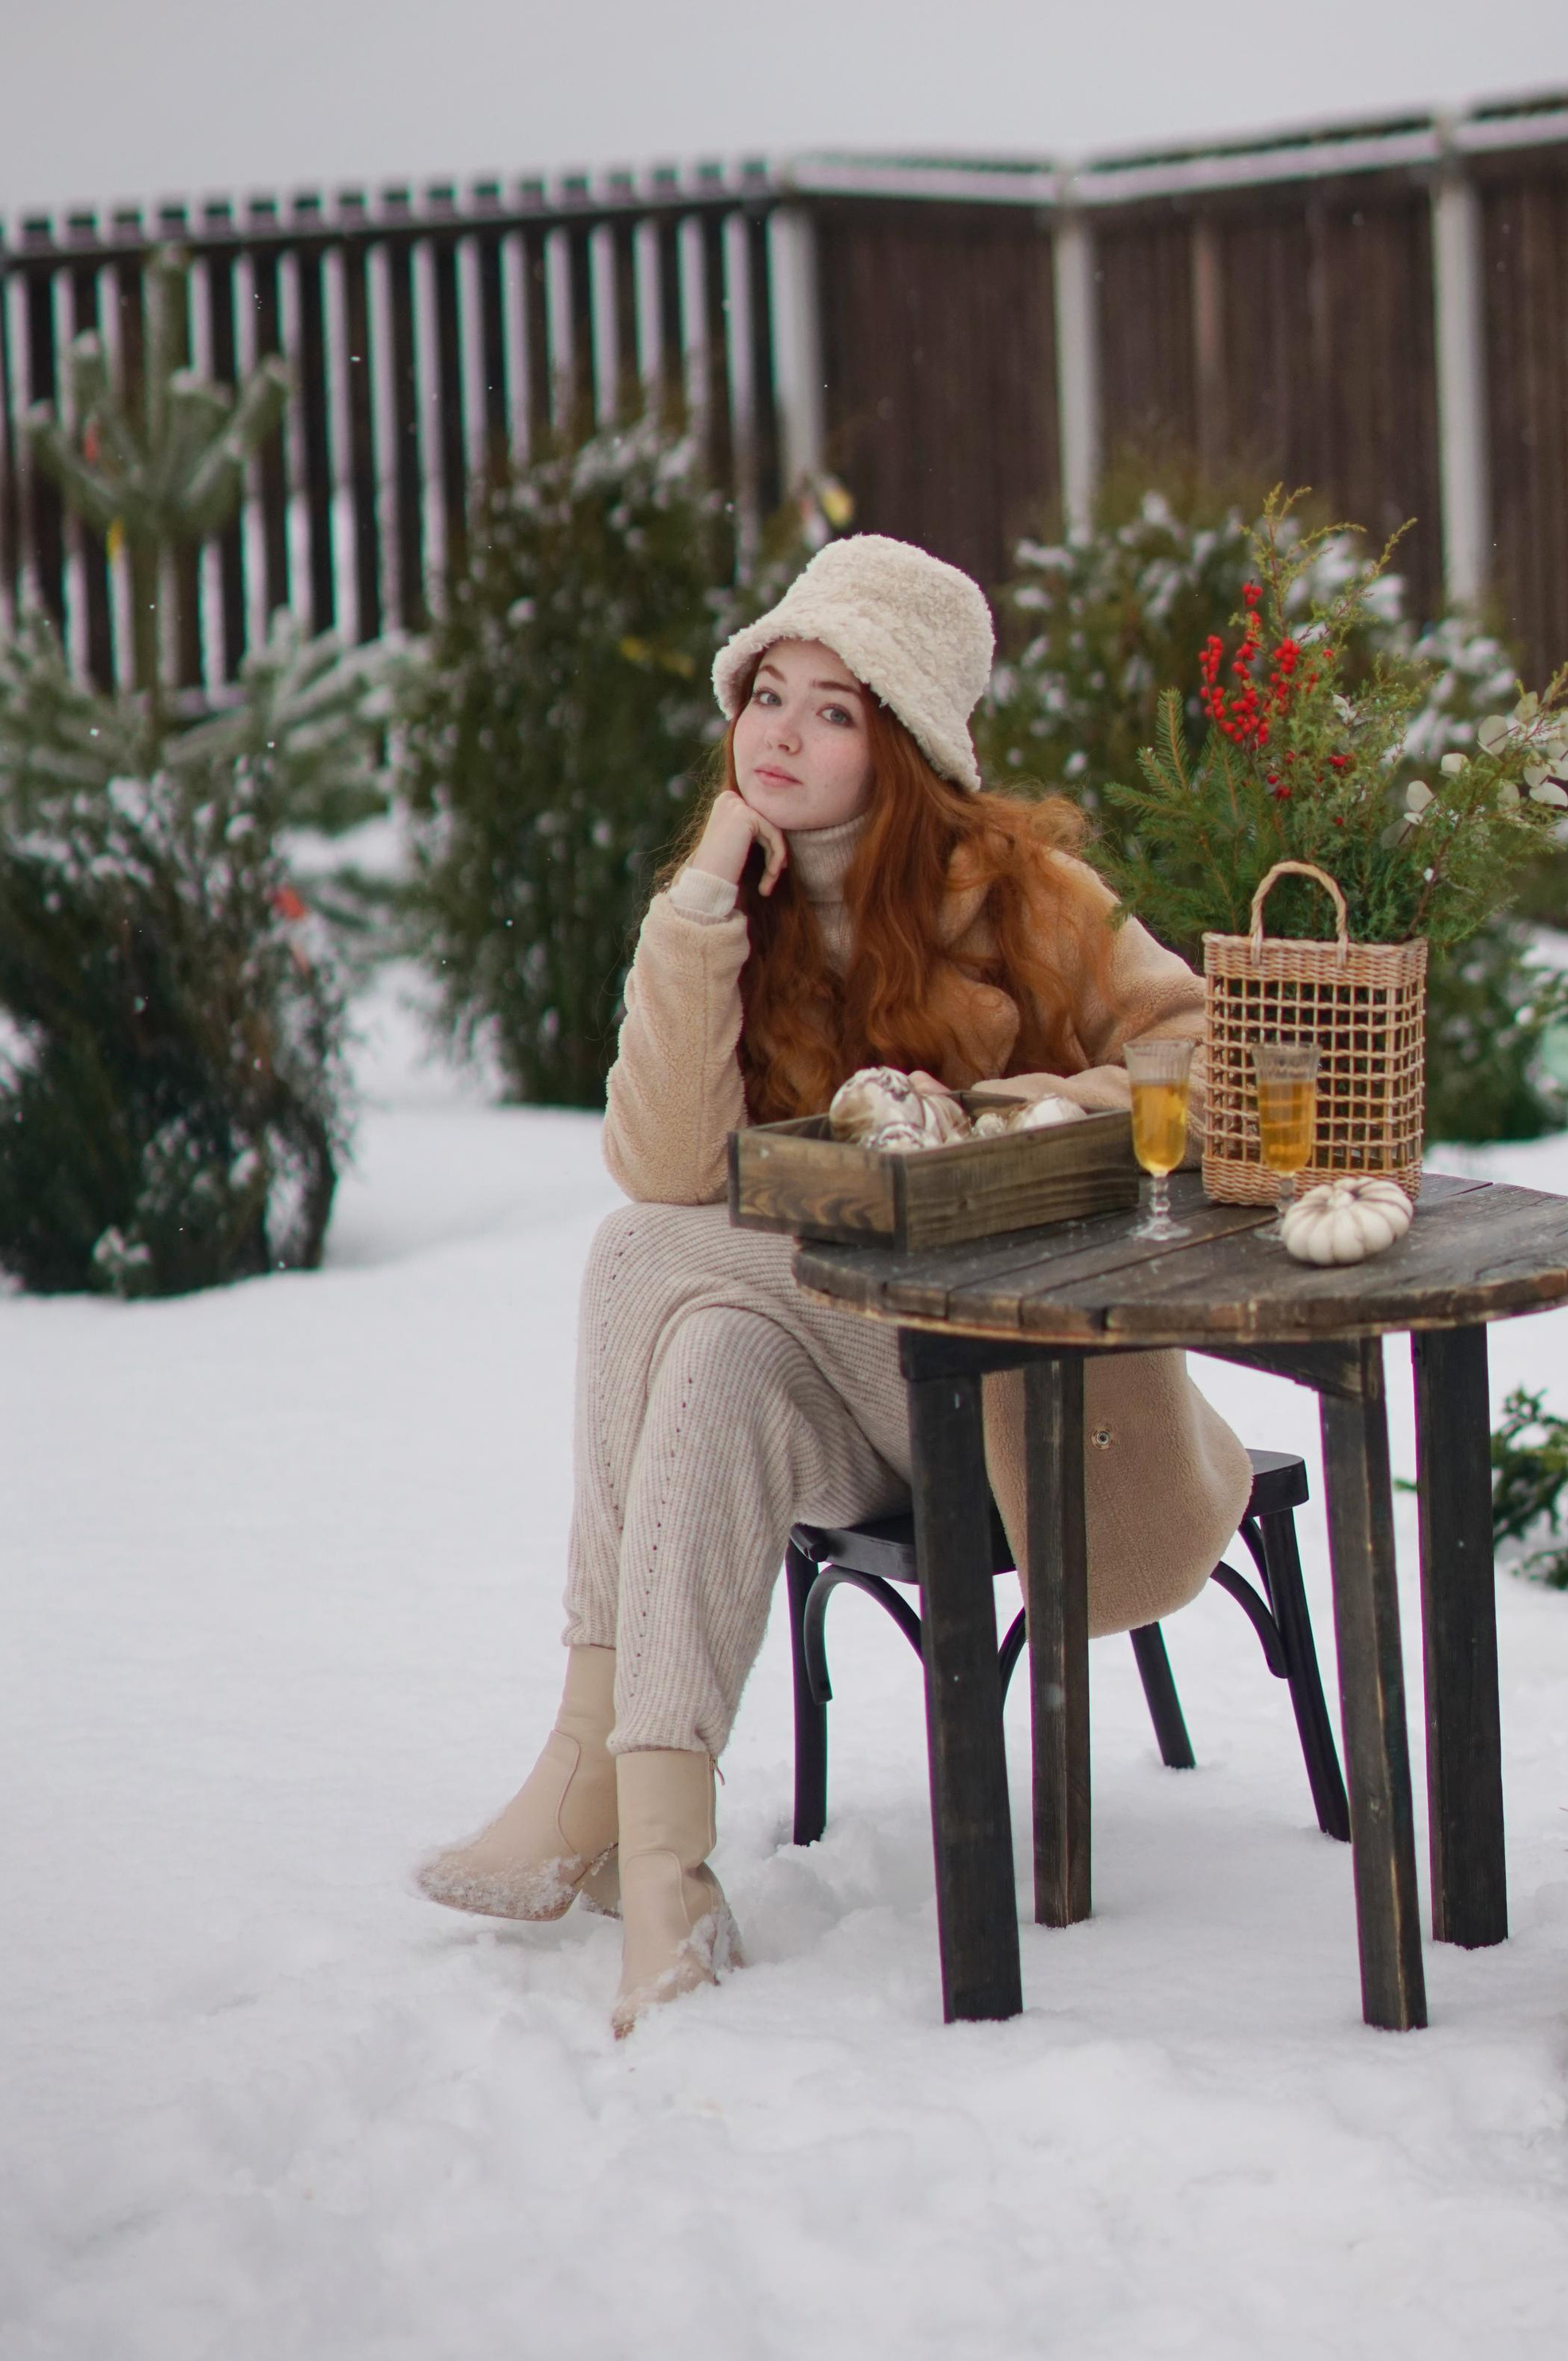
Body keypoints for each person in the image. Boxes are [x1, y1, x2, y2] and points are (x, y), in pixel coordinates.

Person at [418, 533, 1251, 2034]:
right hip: (856, 1393)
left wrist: (1011, 1117)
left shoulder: (1026, 895)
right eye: (767, 696)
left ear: (904, 744)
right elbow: (669, 1165)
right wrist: (696, 913)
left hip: (1024, 1397)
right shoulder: (738, 908)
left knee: (641, 1256)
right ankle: (664, 1878)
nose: (782, 735)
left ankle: (583, 1771)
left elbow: (1204, 1044)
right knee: (709, 1342)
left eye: (833, 710)